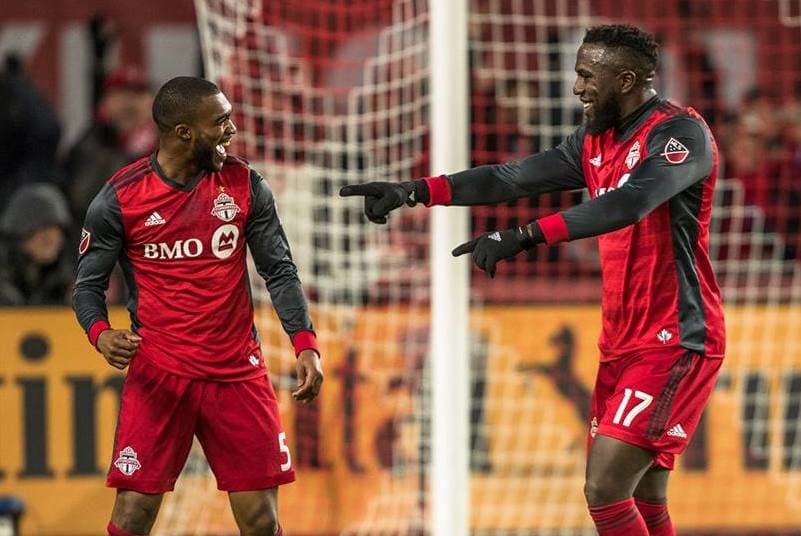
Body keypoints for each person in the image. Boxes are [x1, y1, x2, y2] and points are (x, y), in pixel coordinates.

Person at [340, 24, 724, 536]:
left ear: (627, 79)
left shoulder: (680, 134)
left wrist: (525, 236)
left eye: (588, 76)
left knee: (604, 491)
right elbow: (510, 177)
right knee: (646, 493)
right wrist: (414, 190)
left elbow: (630, 203)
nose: (578, 88)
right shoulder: (594, 140)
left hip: (676, 335)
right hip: (622, 340)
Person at [73, 76, 324, 536]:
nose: (231, 131)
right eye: (221, 121)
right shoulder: (119, 199)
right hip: (159, 376)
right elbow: (86, 287)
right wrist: (100, 333)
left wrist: (304, 343)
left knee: (261, 522)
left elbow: (280, 271)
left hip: (236, 374)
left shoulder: (245, 185)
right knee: (131, 517)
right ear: (184, 132)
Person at [0, 183, 73, 305]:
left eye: (58, 235)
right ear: (20, 234)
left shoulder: (62, 278)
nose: (53, 243)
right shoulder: (5, 275)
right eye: (44, 237)